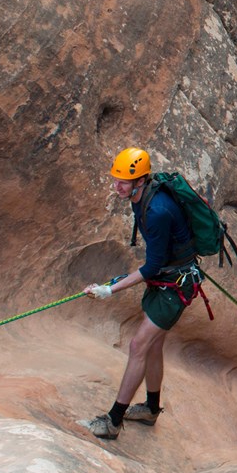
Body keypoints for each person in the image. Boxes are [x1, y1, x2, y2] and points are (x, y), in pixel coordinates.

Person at [80, 147, 198, 439]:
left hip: (175, 286)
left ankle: (113, 421)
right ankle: (151, 410)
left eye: (123, 181)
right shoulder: (139, 199)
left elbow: (151, 266)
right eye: (116, 179)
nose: (116, 186)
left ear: (141, 181)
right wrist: (111, 284)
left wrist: (111, 289)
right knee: (153, 346)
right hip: (167, 280)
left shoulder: (156, 210)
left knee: (138, 347)